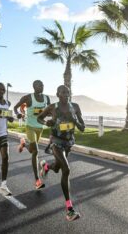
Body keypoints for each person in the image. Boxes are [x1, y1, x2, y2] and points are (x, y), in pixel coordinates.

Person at [37, 85, 85, 221]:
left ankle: (46, 167)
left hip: (68, 142)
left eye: (68, 92)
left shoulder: (75, 106)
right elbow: (39, 118)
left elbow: (82, 128)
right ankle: (69, 209)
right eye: (63, 92)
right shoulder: (52, 107)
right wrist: (47, 122)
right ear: (57, 94)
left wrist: (75, 119)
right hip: (56, 142)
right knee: (66, 169)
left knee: (57, 168)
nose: (66, 94)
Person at [13, 80, 51, 190]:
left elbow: (50, 111)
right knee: (36, 151)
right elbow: (15, 108)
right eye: (39, 85)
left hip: (40, 128)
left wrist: (49, 115)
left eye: (43, 85)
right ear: (34, 87)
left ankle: (23, 144)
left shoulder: (46, 98)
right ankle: (37, 181)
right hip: (30, 127)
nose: (42, 86)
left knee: (32, 150)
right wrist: (18, 114)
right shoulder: (28, 98)